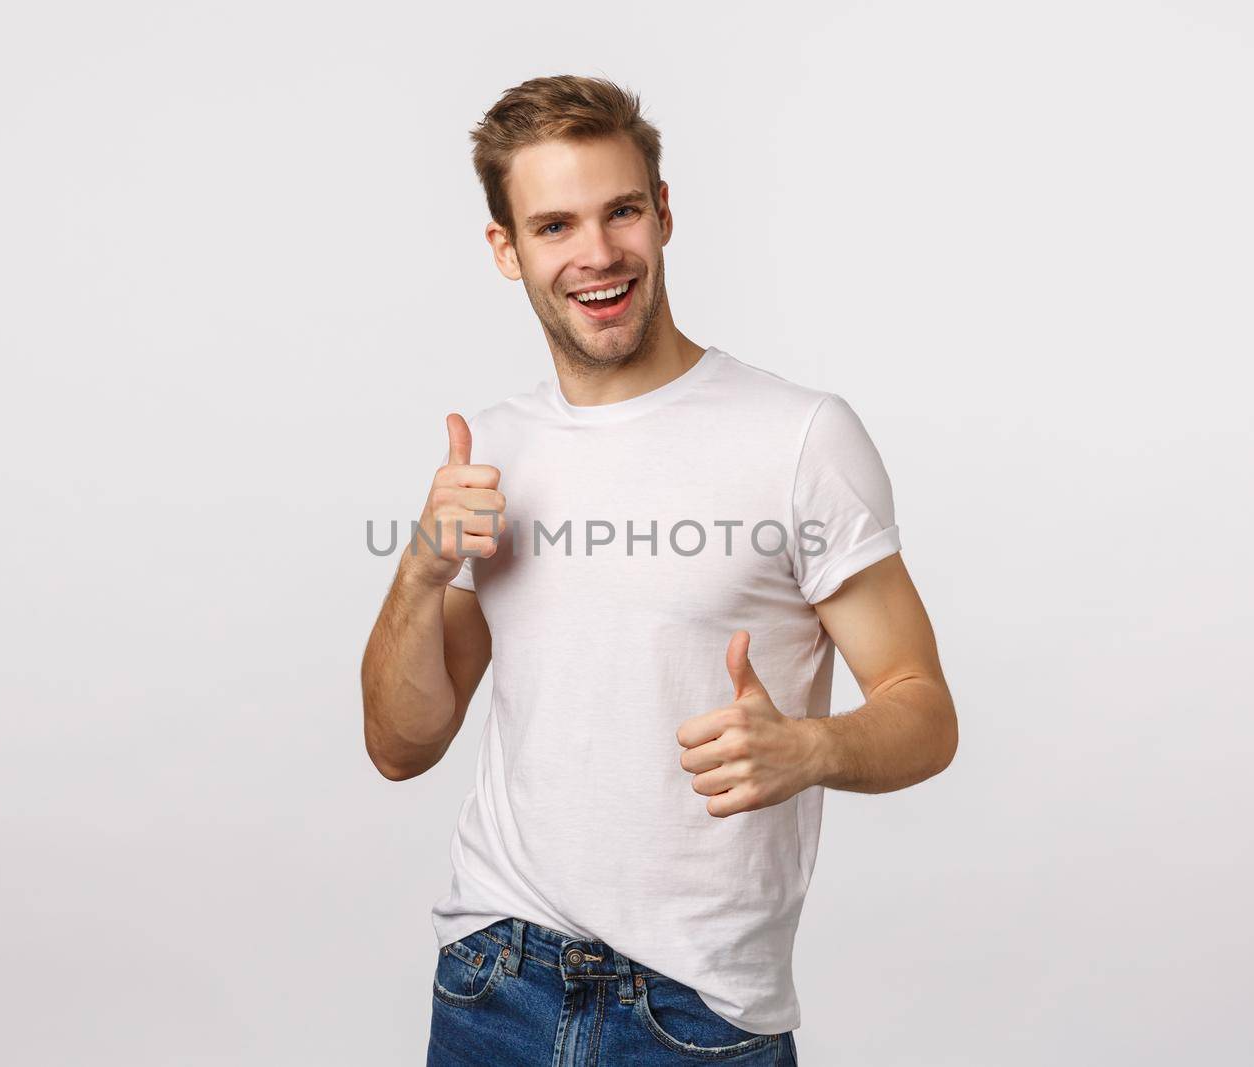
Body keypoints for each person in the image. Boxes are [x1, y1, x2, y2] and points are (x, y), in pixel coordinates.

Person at [361, 74, 958, 1066]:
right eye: (554, 225)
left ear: (664, 213)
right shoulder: (494, 448)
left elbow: (923, 706)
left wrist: (808, 747)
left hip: (696, 1018)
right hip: (493, 984)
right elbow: (400, 743)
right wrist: (419, 574)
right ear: (506, 250)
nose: (596, 254)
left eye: (621, 211)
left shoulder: (799, 436)